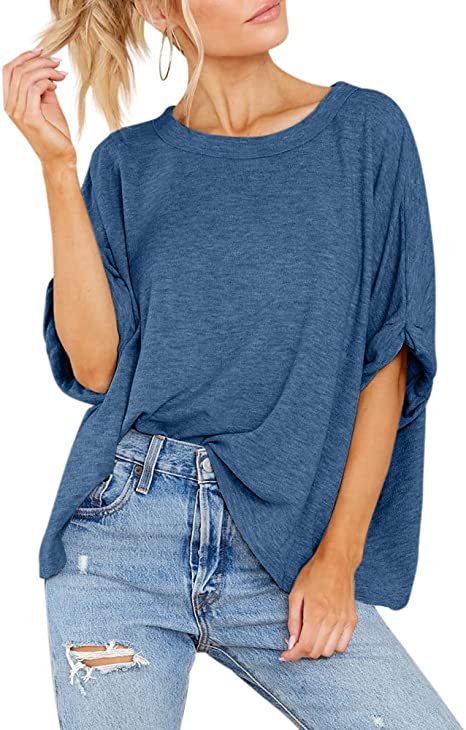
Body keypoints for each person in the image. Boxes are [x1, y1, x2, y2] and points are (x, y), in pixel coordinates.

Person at [3, 1, 462, 728]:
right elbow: (96, 369)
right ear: (160, 10)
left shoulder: (366, 132)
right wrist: (58, 167)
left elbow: (389, 359)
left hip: (284, 543)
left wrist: (338, 558)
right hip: (122, 537)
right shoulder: (127, 164)